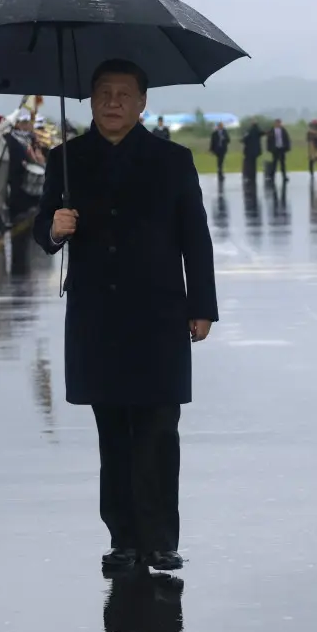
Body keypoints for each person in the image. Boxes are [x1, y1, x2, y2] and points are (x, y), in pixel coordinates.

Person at [33, 58, 218, 574]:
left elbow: (194, 239)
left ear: (142, 103)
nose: (113, 103)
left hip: (159, 313)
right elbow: (40, 236)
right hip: (99, 316)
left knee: (159, 431)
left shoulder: (172, 160)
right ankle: (123, 539)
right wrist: (56, 227)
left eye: (124, 94)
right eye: (104, 93)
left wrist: (202, 305)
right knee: (112, 432)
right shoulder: (66, 160)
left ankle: (160, 540)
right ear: (90, 101)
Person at [266, 118, 291, 184]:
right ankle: (272, 176)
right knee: (274, 163)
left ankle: (284, 176)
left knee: (282, 163)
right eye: (277, 123)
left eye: (279, 123)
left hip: (281, 148)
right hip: (275, 149)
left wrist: (287, 147)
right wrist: (269, 149)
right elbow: (269, 140)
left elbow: (287, 139)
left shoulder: (283, 130)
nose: (278, 124)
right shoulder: (272, 131)